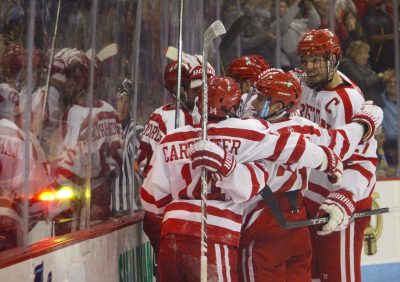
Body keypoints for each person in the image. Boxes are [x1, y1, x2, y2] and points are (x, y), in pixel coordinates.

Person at [141, 75, 346, 282]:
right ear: (234, 106)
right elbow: (290, 148)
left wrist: (174, 225)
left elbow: (151, 200)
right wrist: (329, 160)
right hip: (215, 236)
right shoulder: (247, 131)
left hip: (171, 235)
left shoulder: (172, 139)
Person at [238, 70, 382, 282]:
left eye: (260, 99)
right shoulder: (301, 128)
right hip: (296, 221)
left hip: (265, 224)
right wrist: (364, 123)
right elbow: (337, 143)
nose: (254, 104)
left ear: (277, 106)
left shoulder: (247, 130)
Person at [296, 28, 379, 281]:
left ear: (333, 60)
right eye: (306, 60)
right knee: (311, 273)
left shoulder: (348, 100)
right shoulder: (302, 83)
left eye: (317, 60)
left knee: (338, 276)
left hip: (339, 205)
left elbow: (364, 160)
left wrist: (345, 195)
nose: (310, 67)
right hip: (307, 198)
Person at [137, 54, 215, 279]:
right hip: (170, 213)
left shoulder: (204, 115)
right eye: (196, 89)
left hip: (187, 215)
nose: (201, 94)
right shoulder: (164, 116)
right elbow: (144, 165)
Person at [49, 48, 122, 234]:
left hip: (80, 186)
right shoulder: (111, 110)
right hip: (103, 187)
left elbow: (70, 155)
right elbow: (117, 150)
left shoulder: (76, 112)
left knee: (67, 233)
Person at [112, 78, 144, 215]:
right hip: (114, 207)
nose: (122, 106)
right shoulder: (111, 130)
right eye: (119, 100)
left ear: (131, 104)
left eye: (126, 102)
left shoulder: (137, 132)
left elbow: (144, 168)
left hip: (132, 208)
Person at [338, 40, 394, 107]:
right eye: (365, 53)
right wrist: (379, 76)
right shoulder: (346, 65)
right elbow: (362, 82)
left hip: (376, 105)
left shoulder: (366, 66)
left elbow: (376, 84)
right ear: (356, 54)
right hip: (362, 106)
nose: (368, 56)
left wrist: (384, 78)